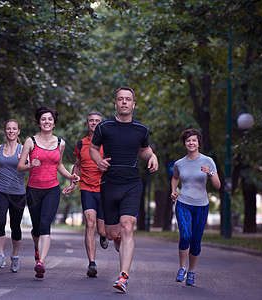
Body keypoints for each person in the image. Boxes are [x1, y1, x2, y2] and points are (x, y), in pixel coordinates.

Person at [89, 86, 158, 293]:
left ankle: (123, 276)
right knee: (110, 234)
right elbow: (93, 149)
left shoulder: (142, 129)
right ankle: (116, 238)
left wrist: (152, 157)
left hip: (131, 184)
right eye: (121, 99)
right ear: (116, 103)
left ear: (133, 104)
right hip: (109, 184)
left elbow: (145, 150)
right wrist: (99, 161)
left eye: (128, 99)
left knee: (127, 226)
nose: (124, 102)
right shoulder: (104, 127)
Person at [17, 106, 80, 279]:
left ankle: (41, 263)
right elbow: (20, 166)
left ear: (54, 123)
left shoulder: (60, 143)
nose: (47, 122)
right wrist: (31, 165)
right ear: (39, 122)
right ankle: (38, 249)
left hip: (52, 188)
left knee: (45, 224)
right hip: (33, 189)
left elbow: (58, 165)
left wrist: (71, 176)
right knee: (37, 227)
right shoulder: (30, 142)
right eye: (43, 119)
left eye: (50, 119)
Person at [170, 128, 221, 286]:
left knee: (196, 241)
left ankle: (191, 272)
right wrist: (173, 191)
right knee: (185, 236)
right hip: (184, 203)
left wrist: (211, 174)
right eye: (188, 140)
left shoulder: (208, 161)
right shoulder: (179, 163)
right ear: (184, 144)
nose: (191, 143)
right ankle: (182, 268)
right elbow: (175, 177)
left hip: (201, 205)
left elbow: (218, 185)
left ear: (199, 143)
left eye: (194, 140)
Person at [62, 111, 109, 278]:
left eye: (97, 121)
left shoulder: (108, 142)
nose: (94, 123)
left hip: (104, 189)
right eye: (91, 121)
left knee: (103, 230)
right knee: (90, 224)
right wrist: (73, 183)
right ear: (87, 124)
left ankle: (105, 236)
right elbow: (77, 165)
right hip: (87, 188)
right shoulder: (81, 144)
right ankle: (92, 263)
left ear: (102, 124)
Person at [0, 119, 26, 273]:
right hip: (1, 191)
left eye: (14, 129)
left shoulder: (24, 149)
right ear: (5, 131)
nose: (11, 131)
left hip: (18, 193)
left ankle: (15, 256)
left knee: (15, 225)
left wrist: (23, 162)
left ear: (18, 132)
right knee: (0, 221)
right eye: (8, 129)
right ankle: (0, 255)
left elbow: (30, 167)